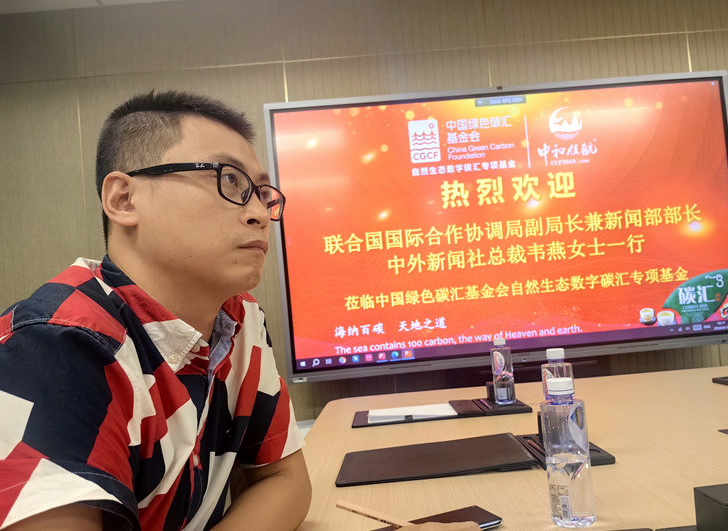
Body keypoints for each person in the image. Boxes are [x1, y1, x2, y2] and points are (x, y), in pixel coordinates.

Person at [0, 91, 479, 531]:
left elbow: (286, 480)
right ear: (123, 199)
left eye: (263, 194)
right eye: (229, 181)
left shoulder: (239, 320)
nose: (259, 214)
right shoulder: (54, 347)